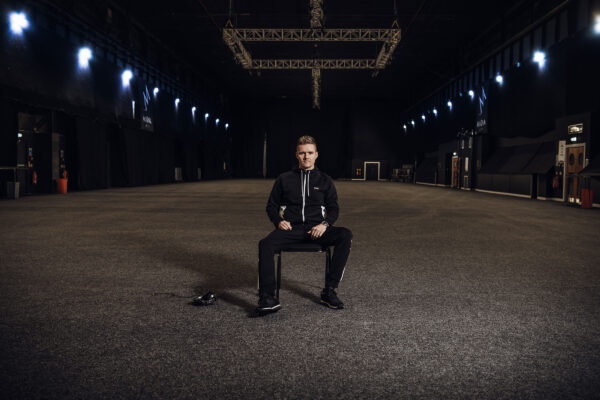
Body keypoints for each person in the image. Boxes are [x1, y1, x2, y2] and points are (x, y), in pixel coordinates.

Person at [257, 135, 353, 314]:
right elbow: (271, 206)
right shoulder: (284, 179)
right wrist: (279, 221)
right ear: (296, 155)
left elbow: (334, 209)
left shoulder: (325, 180)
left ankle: (330, 290)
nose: (306, 157)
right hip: (292, 229)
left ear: (316, 155)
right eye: (302, 153)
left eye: (310, 153)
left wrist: (324, 224)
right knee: (265, 244)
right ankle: (268, 296)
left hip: (317, 230)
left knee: (345, 235)